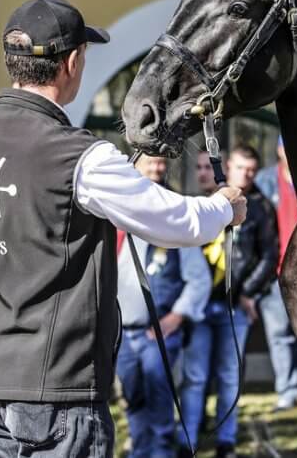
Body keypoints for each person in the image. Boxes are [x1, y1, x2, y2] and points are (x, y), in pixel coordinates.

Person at [0, 0, 246, 458]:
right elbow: (176, 223)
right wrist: (224, 206)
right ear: (72, 62)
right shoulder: (78, 156)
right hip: (57, 387)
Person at [179, 145, 278, 458]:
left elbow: (269, 255)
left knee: (229, 375)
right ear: (228, 168)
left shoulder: (261, 207)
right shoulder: (206, 202)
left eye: (251, 170)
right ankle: (188, 442)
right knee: (194, 376)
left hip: (235, 305)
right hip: (200, 303)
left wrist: (248, 292)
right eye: (240, 168)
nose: (246, 175)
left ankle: (226, 442)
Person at [116, 155, 212, 458]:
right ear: (135, 166)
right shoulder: (117, 213)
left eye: (161, 163)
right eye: (150, 163)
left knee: (159, 404)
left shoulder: (175, 214)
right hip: (123, 333)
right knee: (133, 401)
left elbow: (199, 279)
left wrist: (176, 316)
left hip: (157, 333)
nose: (157, 168)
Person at [252, 137, 297, 412]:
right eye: (286, 146)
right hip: (275, 271)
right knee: (279, 333)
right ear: (279, 149)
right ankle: (287, 389)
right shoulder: (264, 181)